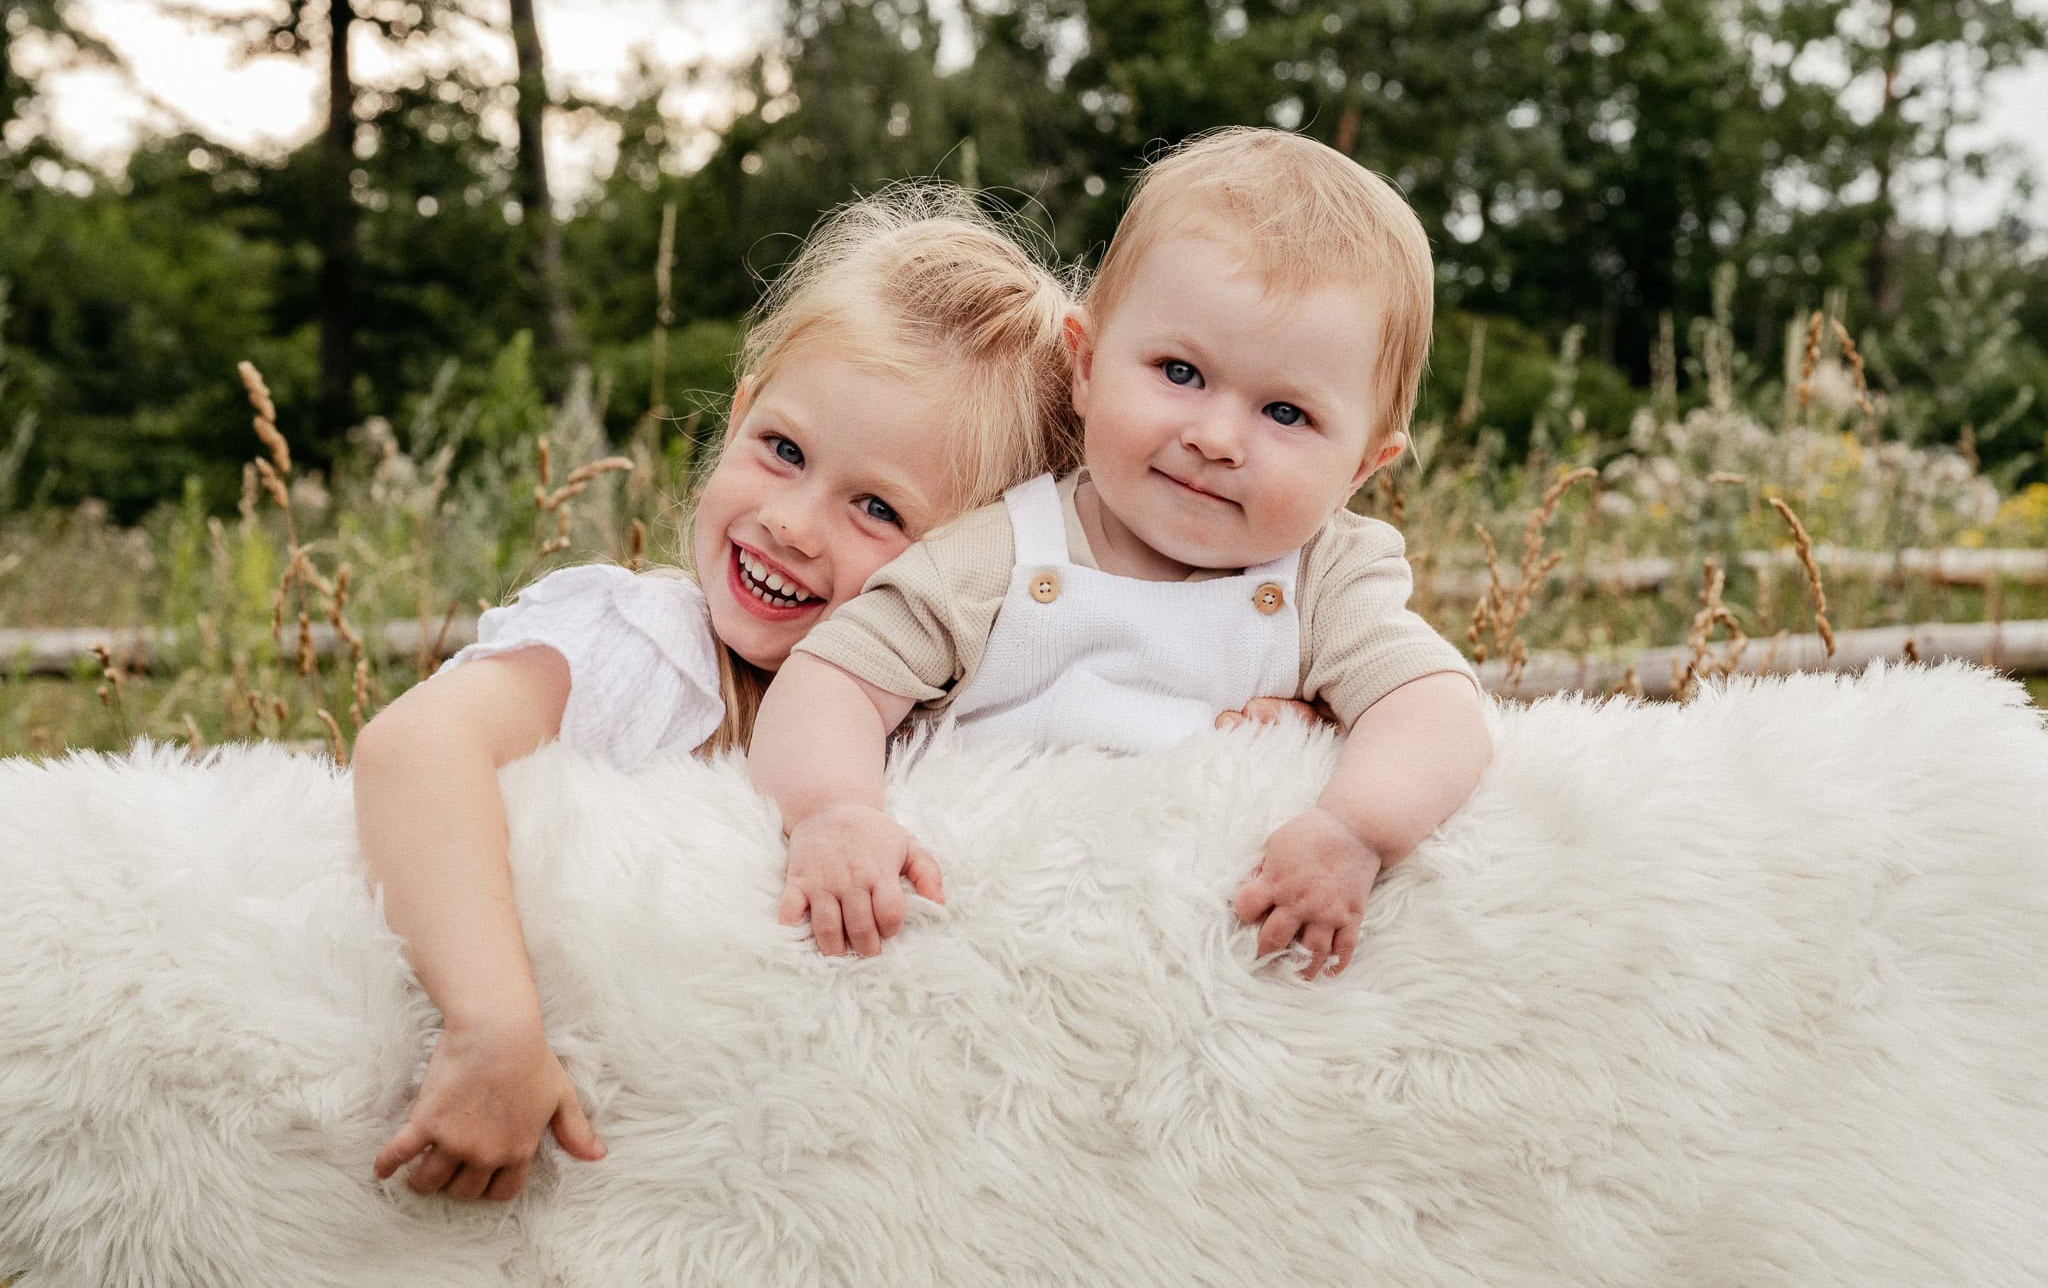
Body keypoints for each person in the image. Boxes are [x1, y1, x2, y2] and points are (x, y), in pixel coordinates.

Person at [350, 184, 1082, 1203]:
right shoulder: (646, 647)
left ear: (974, 564)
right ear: (736, 417)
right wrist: (493, 1024)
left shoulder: (953, 722)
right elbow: (414, 748)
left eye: (877, 508)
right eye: (781, 450)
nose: (790, 522)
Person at [750, 127, 1493, 983]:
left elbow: (1436, 709)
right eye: (1180, 372)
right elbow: (834, 679)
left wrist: (1353, 828)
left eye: (1286, 413)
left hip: (1209, 965)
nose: (1216, 437)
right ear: (1088, 364)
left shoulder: (1328, 580)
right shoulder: (997, 551)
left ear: (1362, 466)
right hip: (997, 948)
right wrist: (834, 811)